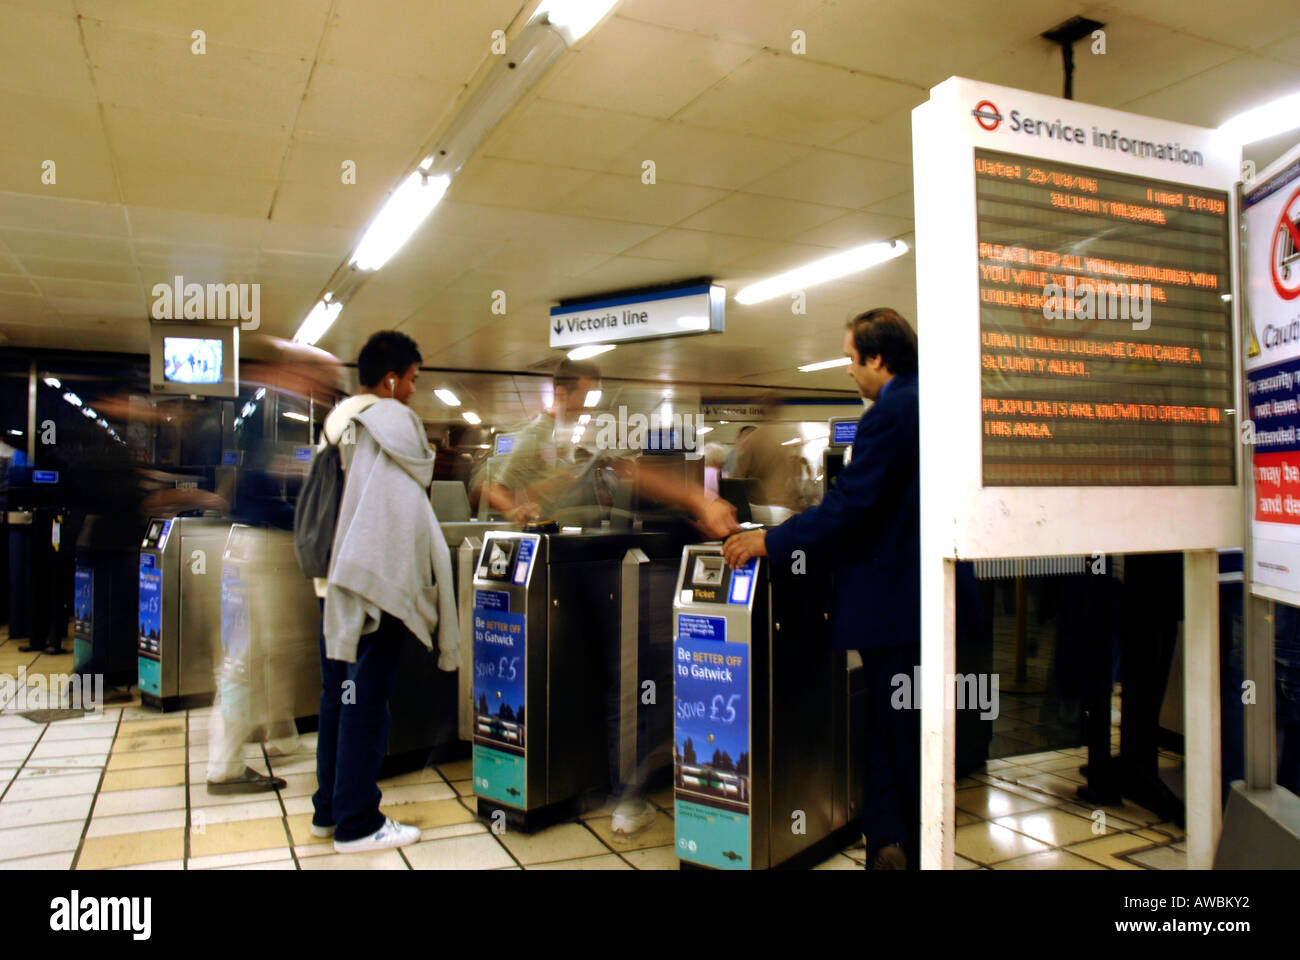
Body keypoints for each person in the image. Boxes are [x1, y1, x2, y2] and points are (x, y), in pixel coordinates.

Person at [482, 358, 737, 835]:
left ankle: (614, 785)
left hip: (594, 564)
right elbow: (492, 486)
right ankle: (627, 791)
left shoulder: (585, 432)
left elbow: (628, 474)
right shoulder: (542, 432)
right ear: (566, 391)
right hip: (570, 568)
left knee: (614, 677)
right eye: (587, 391)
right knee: (631, 677)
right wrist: (524, 511)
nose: (591, 399)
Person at [722, 307, 922, 869]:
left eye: (852, 360)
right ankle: (889, 838)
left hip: (898, 604)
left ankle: (904, 839)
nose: (849, 372)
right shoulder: (929, 402)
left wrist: (772, 541)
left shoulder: (892, 411)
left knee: (898, 724)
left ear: (878, 358)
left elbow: (852, 506)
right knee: (894, 720)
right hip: (921, 600)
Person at [313, 331, 460, 853]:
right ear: (392, 378)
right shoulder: (388, 424)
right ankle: (357, 823)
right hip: (370, 584)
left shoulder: (337, 421)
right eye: (414, 380)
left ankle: (328, 809)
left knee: (338, 698)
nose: (415, 393)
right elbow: (393, 515)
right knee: (367, 702)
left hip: (330, 582)